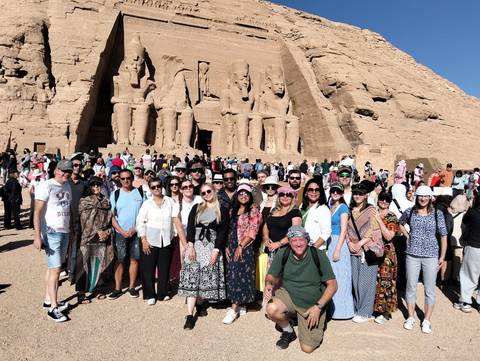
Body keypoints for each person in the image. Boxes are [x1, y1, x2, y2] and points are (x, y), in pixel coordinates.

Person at [264, 226, 337, 353]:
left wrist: (318, 307)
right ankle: (288, 331)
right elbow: (272, 275)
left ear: (307, 240)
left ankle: (320, 317)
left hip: (312, 304)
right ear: (289, 242)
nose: (298, 244)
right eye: (294, 240)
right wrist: (269, 284)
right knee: (271, 308)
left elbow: (333, 285)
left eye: (301, 240)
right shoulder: (283, 253)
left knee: (307, 348)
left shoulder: (318, 255)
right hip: (290, 295)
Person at [178, 183, 229, 330]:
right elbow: (191, 228)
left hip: (211, 247)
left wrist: (216, 250)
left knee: (205, 278)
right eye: (203, 193)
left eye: (208, 191)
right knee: (193, 278)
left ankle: (200, 304)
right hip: (196, 246)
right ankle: (189, 315)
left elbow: (223, 232)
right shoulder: (197, 207)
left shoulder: (222, 210)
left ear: (214, 191)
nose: (206, 194)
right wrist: (191, 246)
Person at [399, 185, 448, 334]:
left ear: (430, 198)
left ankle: (426, 320)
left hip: (431, 255)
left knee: (429, 289)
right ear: (416, 197)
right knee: (411, 286)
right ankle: (411, 316)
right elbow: (400, 223)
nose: (423, 198)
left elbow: (443, 235)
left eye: (426, 196)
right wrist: (408, 236)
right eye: (421, 196)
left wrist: (442, 256)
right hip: (412, 254)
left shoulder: (437, 213)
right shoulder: (410, 211)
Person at [33, 160, 73, 322]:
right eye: (63, 171)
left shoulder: (67, 185)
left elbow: (65, 208)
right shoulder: (46, 185)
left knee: (52, 269)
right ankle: (53, 308)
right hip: (51, 232)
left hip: (64, 231)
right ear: (56, 170)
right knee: (56, 270)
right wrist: (37, 235)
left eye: (68, 172)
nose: (66, 174)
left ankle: (48, 299)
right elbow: (37, 211)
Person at [136, 177, 187, 305]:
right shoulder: (147, 204)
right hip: (150, 239)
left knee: (164, 267)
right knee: (148, 268)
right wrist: (143, 239)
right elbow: (140, 222)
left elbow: (175, 220)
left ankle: (162, 292)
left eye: (158, 186)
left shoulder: (170, 202)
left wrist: (176, 234)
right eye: (153, 187)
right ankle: (150, 294)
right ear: (150, 189)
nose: (156, 189)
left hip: (166, 239)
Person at [223, 184, 262, 324]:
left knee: (241, 275)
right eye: (241, 193)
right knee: (232, 274)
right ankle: (241, 303)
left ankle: (233, 309)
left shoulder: (254, 210)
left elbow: (253, 231)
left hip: (244, 246)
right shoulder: (232, 210)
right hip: (231, 244)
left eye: (246, 193)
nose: (243, 196)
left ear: (250, 195)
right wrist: (226, 245)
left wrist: (241, 246)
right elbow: (228, 229)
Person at [347, 183, 383, 323]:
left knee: (366, 282)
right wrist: (350, 243)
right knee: (355, 281)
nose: (357, 196)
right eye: (355, 193)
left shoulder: (371, 210)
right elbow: (345, 229)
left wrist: (360, 244)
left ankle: (366, 311)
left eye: (360, 194)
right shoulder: (350, 210)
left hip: (366, 250)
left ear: (365, 196)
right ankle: (357, 308)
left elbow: (374, 230)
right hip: (352, 249)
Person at [75, 176, 114, 303]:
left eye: (98, 185)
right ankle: (81, 293)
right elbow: (84, 220)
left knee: (98, 263)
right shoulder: (85, 201)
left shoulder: (106, 202)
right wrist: (98, 231)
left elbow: (109, 220)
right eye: (93, 185)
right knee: (84, 264)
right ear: (90, 187)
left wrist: (106, 232)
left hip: (102, 238)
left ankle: (95, 288)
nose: (96, 187)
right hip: (88, 236)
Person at [108, 169, 144, 300]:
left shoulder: (139, 193)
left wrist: (135, 229)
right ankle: (117, 288)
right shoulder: (115, 194)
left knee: (135, 259)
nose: (125, 180)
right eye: (122, 178)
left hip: (136, 231)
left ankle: (132, 286)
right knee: (120, 260)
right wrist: (122, 231)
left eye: (128, 178)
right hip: (120, 232)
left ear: (132, 177)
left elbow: (144, 214)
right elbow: (111, 216)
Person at [326, 182, 354, 319]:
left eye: (338, 191)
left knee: (341, 276)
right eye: (333, 191)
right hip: (330, 242)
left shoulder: (343, 208)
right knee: (333, 276)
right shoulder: (331, 207)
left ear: (342, 193)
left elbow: (344, 230)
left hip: (338, 243)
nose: (335, 193)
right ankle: (333, 309)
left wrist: (337, 249)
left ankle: (343, 311)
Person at [373, 192, 399, 324]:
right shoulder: (374, 212)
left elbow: (389, 236)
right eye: (382, 199)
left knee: (386, 282)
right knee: (376, 282)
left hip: (386, 255)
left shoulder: (391, 217)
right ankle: (375, 309)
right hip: (373, 253)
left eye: (387, 200)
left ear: (390, 202)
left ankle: (385, 312)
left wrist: (378, 220)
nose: (384, 201)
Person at [454, 192, 480, 313]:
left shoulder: (472, 212)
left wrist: (464, 239)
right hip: (473, 245)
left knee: (468, 274)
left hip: (473, 246)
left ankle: (465, 301)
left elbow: (464, 226)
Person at [263, 186, 302, 267]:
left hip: (286, 251)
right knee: (271, 277)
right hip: (271, 251)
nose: (285, 197)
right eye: (282, 194)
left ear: (292, 198)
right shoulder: (274, 210)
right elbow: (266, 226)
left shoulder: (295, 212)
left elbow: (295, 233)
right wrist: (266, 238)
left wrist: (279, 243)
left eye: (288, 195)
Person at [300, 178, 331, 250]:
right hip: (300, 249)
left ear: (321, 192)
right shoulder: (302, 206)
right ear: (306, 192)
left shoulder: (323, 209)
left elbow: (326, 233)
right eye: (310, 189)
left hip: (315, 250)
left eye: (317, 190)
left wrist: (312, 249)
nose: (314, 192)